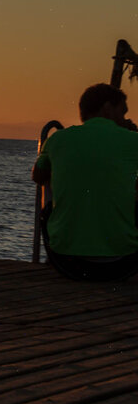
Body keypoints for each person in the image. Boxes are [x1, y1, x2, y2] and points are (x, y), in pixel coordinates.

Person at [32, 82, 138, 281]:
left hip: (66, 262)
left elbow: (37, 177)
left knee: (48, 196)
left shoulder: (57, 139)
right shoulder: (133, 141)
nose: (124, 118)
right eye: (122, 112)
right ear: (107, 108)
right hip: (123, 264)